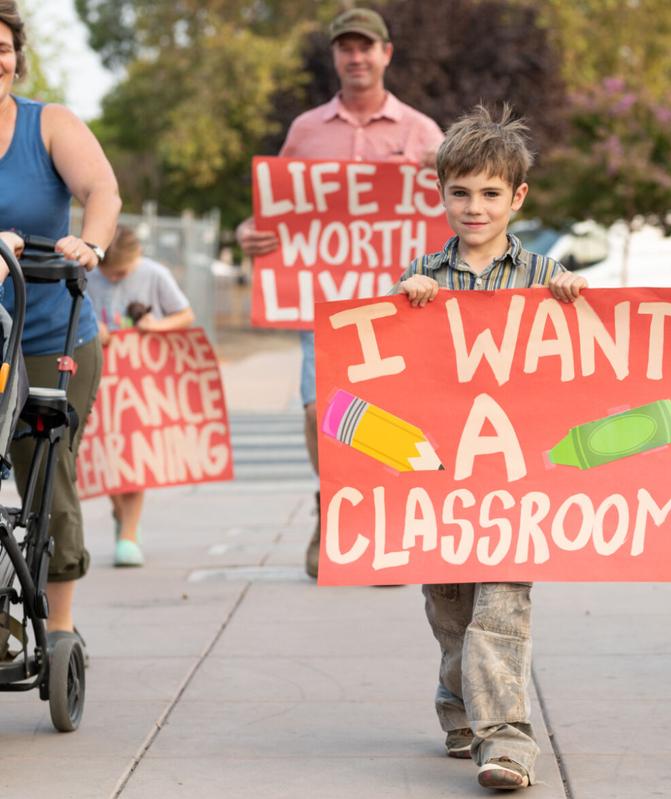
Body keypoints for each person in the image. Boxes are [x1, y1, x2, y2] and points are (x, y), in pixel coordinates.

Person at [389, 106, 586, 791]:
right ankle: (460, 709)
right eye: (461, 192)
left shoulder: (542, 273)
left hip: (513, 480)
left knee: (501, 606)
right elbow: (384, 367)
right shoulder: (422, 273)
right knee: (452, 613)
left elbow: (577, 363)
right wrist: (406, 300)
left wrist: (569, 298)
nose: (475, 207)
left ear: (518, 197)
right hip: (440, 479)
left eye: (491, 193)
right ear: (442, 194)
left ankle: (507, 742)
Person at [235, 7, 443, 579]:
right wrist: (249, 233)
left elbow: (464, 206)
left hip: (399, 306)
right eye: (346, 48)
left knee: (391, 417)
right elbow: (276, 206)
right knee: (316, 412)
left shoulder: (422, 130)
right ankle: (335, 505)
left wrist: (442, 165)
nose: (356, 57)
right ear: (335, 57)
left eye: (366, 47)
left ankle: (379, 525)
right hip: (323, 303)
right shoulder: (306, 130)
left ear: (385, 54)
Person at [0, 1, 121, 654]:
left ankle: (59, 624)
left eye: (2, 47)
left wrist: (90, 244)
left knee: (44, 466)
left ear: (17, 55)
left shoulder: (49, 125)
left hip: (48, 332)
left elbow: (101, 190)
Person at [87, 225, 195, 567]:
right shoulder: (86, 275)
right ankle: (122, 516)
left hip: (140, 379)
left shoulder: (155, 274)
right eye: (111, 273)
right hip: (99, 377)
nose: (116, 279)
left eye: (123, 273)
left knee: (132, 454)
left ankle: (129, 533)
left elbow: (185, 314)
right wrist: (91, 328)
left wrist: (156, 327)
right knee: (106, 453)